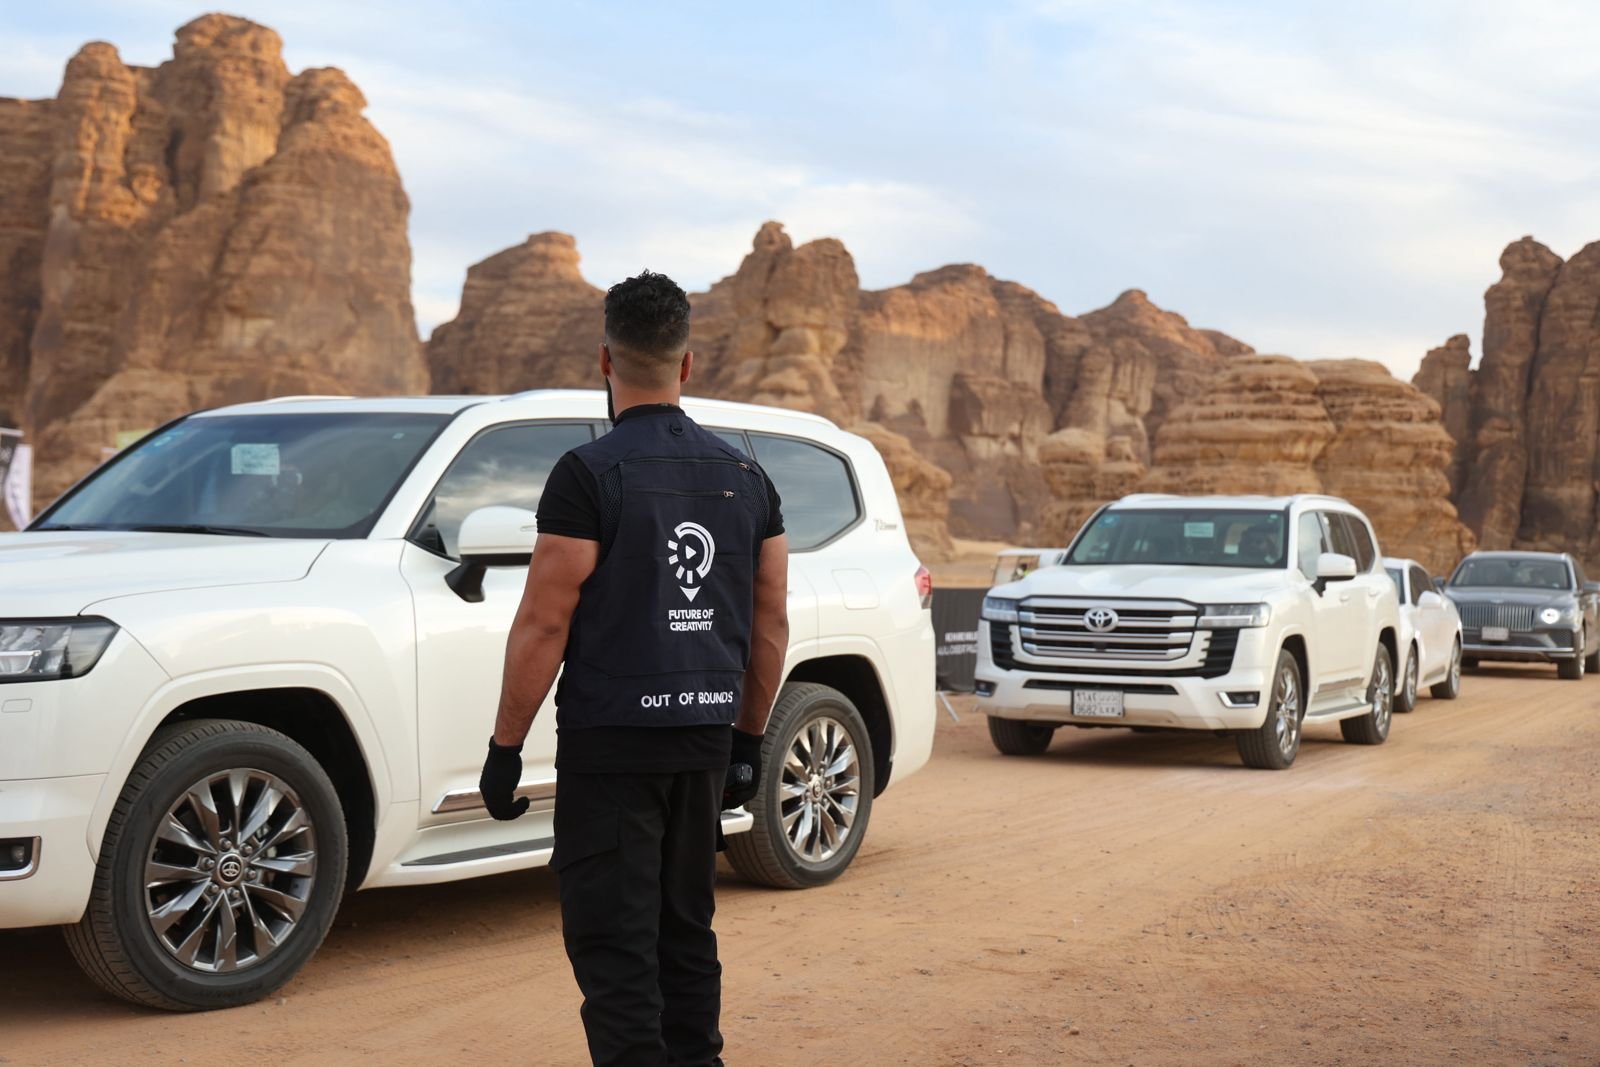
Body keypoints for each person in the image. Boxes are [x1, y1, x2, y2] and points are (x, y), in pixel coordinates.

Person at [478, 270, 789, 1067]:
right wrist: (749, 742)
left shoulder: (586, 475)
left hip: (612, 750)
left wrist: (505, 748)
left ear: (605, 360)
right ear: (686, 364)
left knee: (615, 947)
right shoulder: (750, 479)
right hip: (703, 744)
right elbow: (770, 624)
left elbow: (543, 622)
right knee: (685, 931)